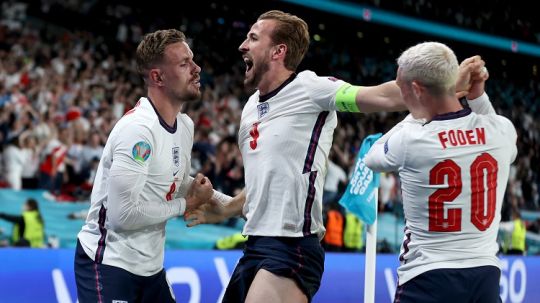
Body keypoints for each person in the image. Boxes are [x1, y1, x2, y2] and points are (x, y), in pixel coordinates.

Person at [185, 11, 484, 303]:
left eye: (253, 37)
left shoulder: (311, 88)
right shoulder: (251, 107)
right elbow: (268, 183)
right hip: (255, 246)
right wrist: (225, 208)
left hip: (293, 248)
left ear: (279, 51)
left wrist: (444, 83)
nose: (242, 45)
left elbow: (380, 96)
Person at [364, 42, 517, 303]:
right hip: (485, 277)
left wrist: (416, 115)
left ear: (416, 89)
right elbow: (489, 129)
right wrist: (477, 97)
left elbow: (372, 157)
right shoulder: (503, 130)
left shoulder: (412, 139)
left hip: (427, 277)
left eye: (401, 87)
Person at [74, 29, 214, 303]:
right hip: (108, 263)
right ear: (157, 77)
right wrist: (186, 205)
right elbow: (122, 216)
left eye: (193, 60)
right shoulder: (138, 130)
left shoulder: (185, 125)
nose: (197, 69)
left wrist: (232, 204)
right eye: (184, 63)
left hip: (151, 269)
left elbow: (176, 182)